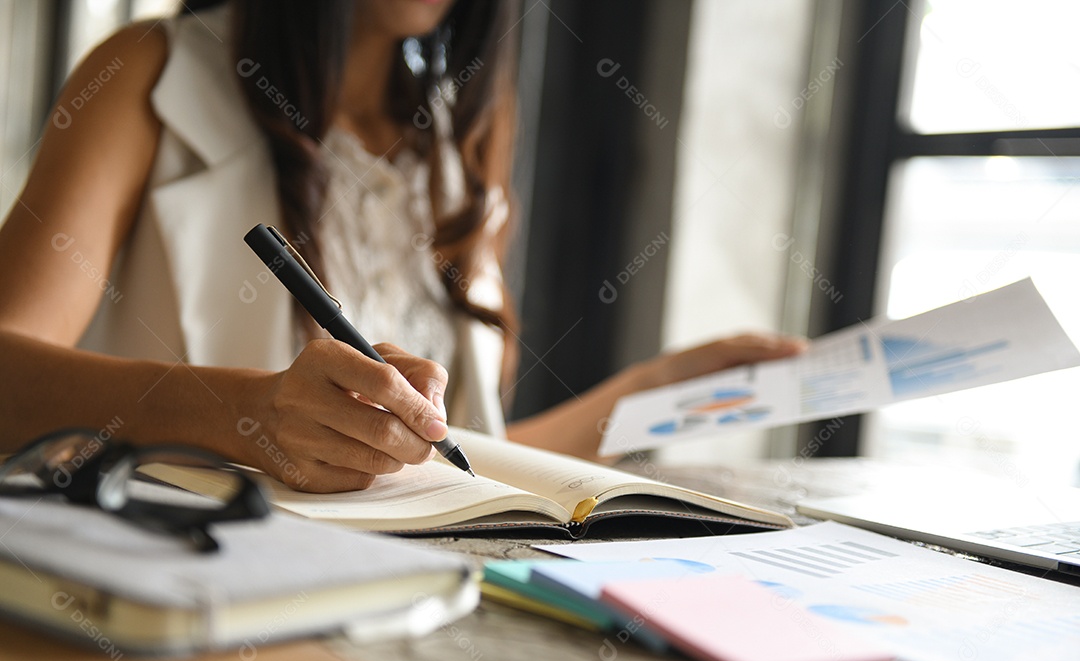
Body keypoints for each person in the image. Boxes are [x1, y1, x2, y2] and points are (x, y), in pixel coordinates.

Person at [0, 0, 804, 492]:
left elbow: (444, 455)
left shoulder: (458, 145)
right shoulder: (151, 75)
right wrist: (243, 413)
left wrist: (658, 394)